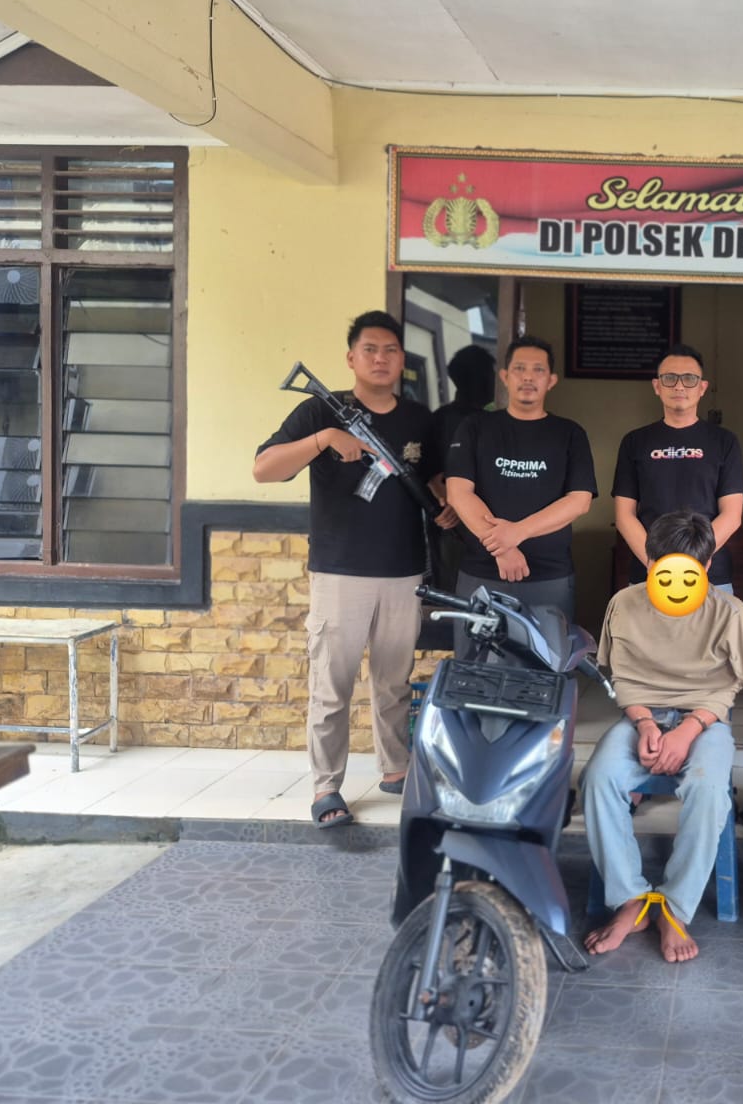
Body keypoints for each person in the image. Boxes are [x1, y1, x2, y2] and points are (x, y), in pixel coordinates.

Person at [253, 310, 439, 829]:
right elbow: (264, 468)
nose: (381, 359)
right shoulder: (320, 410)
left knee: (394, 682)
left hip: (404, 570)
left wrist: (444, 500)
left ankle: (396, 769)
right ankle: (326, 786)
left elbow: (434, 478)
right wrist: (324, 439)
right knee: (331, 686)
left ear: (402, 360)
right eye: (370, 350)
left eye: (391, 351)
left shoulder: (419, 419)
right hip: (339, 571)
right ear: (351, 358)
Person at [581, 510, 743, 963]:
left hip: (705, 719)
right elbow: (622, 675)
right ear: (648, 561)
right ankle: (630, 900)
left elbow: (731, 684)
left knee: (708, 788)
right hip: (642, 713)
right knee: (599, 778)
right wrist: (644, 722)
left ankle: (675, 908)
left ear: (708, 564)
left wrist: (688, 730)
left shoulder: (731, 612)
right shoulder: (624, 604)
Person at [443, 336, 596, 648]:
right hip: (482, 574)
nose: (528, 377)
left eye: (538, 370)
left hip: (549, 578)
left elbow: (579, 501)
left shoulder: (569, 433)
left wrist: (517, 533)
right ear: (504, 376)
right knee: (477, 670)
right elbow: (458, 493)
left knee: (546, 668)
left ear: (551, 380)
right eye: (519, 369)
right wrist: (503, 549)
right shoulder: (475, 427)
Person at [612, 344, 743, 589]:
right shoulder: (635, 442)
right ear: (657, 386)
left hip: (709, 575)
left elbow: (732, 514)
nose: (679, 386)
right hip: (649, 573)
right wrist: (654, 563)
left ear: (702, 387)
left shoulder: (724, 442)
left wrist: (695, 560)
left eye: (689, 379)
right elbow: (624, 515)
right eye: (670, 378)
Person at [427, 344, 496, 593]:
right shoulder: (471, 422)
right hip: (452, 521)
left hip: (469, 520)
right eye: (490, 376)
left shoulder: (441, 417)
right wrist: (450, 503)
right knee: (459, 590)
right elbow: (432, 473)